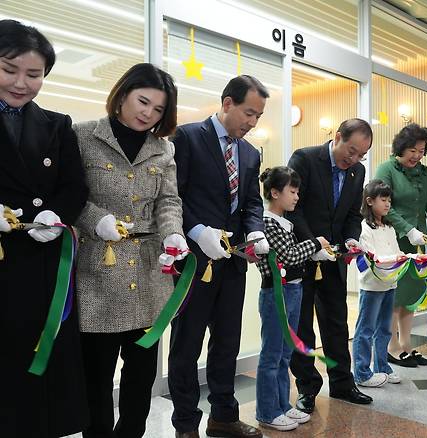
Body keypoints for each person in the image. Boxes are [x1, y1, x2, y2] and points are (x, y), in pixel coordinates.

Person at [74, 63, 187, 437]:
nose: (147, 114)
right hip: (98, 270)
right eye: (143, 102)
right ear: (122, 95)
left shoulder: (163, 149)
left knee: (141, 376)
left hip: (148, 271)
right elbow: (70, 195)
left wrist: (173, 233)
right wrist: (95, 220)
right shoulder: (82, 135)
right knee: (97, 376)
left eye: (158, 110)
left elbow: (169, 201)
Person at [0, 19, 89, 437]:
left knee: (39, 375)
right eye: (8, 69)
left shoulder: (56, 124)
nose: (21, 83)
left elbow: (75, 186)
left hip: (42, 263)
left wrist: (57, 215)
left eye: (33, 75)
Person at [169, 75, 270, 438]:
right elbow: (172, 198)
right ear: (227, 103)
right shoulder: (187, 137)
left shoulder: (250, 153)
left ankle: (223, 417)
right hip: (194, 262)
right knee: (187, 343)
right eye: (248, 113)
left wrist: (255, 229)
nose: (252, 123)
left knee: (227, 341)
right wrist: (195, 231)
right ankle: (185, 425)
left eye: (258, 116)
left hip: (231, 263)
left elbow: (251, 202)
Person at [288, 118, 373, 414]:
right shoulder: (306, 159)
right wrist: (313, 244)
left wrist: (351, 239)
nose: (354, 159)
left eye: (361, 155)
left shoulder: (357, 172)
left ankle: (342, 383)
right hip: (304, 255)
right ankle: (307, 387)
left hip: (334, 260)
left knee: (337, 323)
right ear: (337, 137)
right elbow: (293, 208)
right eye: (351, 151)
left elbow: (352, 213)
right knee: (302, 326)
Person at [375, 124, 427, 367]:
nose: (417, 156)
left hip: (416, 241)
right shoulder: (386, 169)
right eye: (412, 150)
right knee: (394, 295)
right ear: (401, 147)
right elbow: (383, 207)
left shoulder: (423, 173)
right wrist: (407, 230)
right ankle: (390, 347)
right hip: (392, 240)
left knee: (410, 295)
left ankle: (406, 345)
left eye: (422, 151)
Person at [254, 166, 330, 431]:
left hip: (294, 289)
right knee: (272, 354)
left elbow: (295, 252)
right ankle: (267, 411)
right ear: (274, 193)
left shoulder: (285, 222)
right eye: (293, 191)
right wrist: (316, 244)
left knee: (286, 353)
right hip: (276, 291)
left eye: (298, 191)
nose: (297, 197)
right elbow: (288, 256)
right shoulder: (266, 222)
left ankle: (282, 406)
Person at [353, 179, 404, 387]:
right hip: (372, 286)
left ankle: (382, 366)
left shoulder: (389, 227)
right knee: (365, 329)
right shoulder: (364, 227)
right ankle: (361, 371)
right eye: (383, 199)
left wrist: (406, 257)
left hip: (390, 284)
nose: (387, 204)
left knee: (384, 329)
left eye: (389, 200)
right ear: (369, 201)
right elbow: (370, 257)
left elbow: (396, 251)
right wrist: (392, 259)